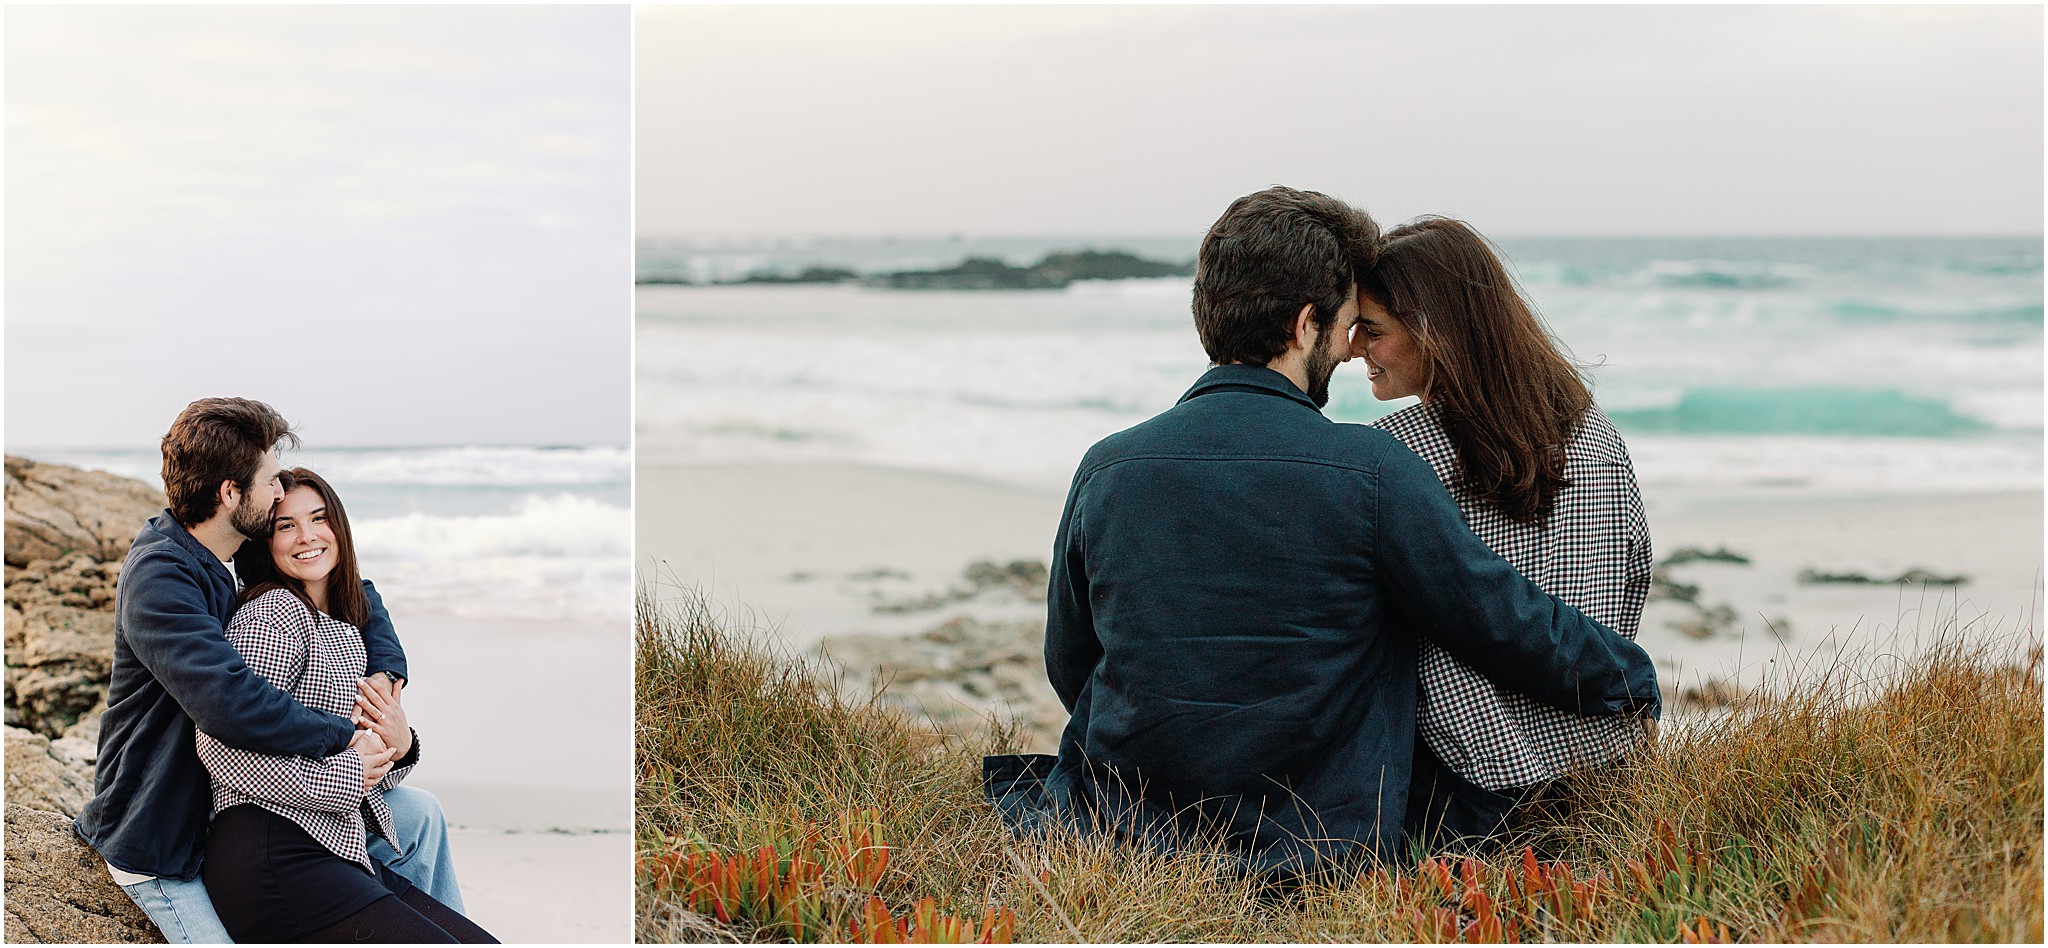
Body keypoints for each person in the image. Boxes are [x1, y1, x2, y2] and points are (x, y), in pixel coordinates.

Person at [984, 187, 1661, 880]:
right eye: (1344, 326)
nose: (1348, 350)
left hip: (1125, 818)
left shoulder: (1107, 466)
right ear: (1307, 324)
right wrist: (1629, 676)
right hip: (1305, 834)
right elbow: (1497, 618)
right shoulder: (1372, 470)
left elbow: (1069, 659)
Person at [74, 397, 463, 942]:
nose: (280, 490)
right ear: (230, 494)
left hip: (235, 811)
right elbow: (228, 703)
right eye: (270, 481)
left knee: (418, 815)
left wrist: (387, 680)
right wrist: (344, 737)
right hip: (161, 829)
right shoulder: (161, 577)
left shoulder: (216, 560)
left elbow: (351, 591)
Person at [1356, 217, 1654, 851]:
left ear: (1432, 330)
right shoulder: (1595, 435)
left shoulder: (1392, 458)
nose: (1357, 348)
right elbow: (1634, 578)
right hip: (1604, 758)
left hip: (1467, 786)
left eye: (1374, 330)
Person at [194, 468, 494, 943]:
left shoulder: (344, 629)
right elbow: (223, 755)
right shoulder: (272, 614)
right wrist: (356, 768)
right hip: (271, 854)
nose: (307, 536)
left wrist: (401, 748)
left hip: (336, 848)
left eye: (319, 518)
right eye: (285, 525)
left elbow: (358, 773)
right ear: (264, 541)